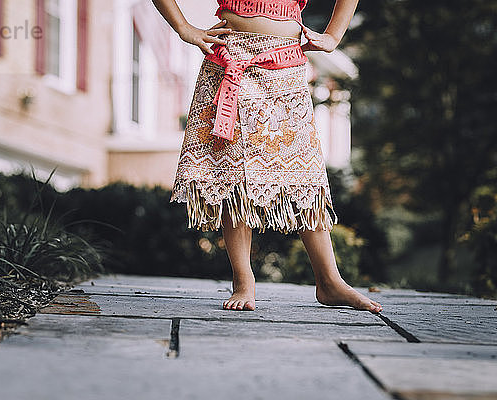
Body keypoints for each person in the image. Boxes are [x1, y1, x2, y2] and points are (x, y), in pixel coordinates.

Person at [153, 0, 382, 313]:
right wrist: (182, 27)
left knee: (304, 174)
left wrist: (333, 35)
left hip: (285, 69)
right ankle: (243, 280)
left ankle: (329, 281)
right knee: (233, 176)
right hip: (229, 62)